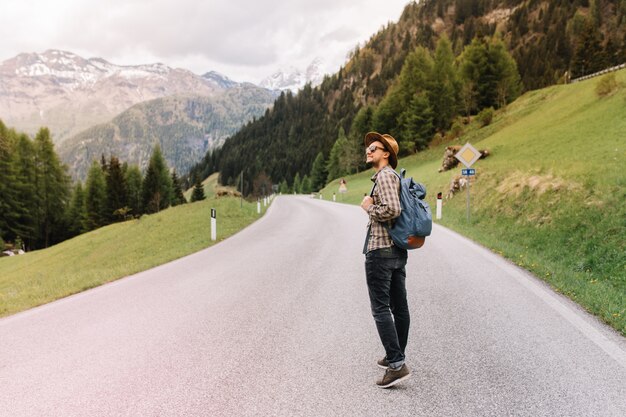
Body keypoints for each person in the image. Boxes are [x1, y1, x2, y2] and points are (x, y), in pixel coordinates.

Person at [360, 131, 411, 389]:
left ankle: (396, 364)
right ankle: (396, 355)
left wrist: (368, 206)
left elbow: (392, 210)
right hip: (395, 251)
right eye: (368, 148)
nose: (369, 151)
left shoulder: (385, 176)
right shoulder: (388, 176)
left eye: (374, 148)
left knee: (381, 309)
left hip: (381, 251)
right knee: (398, 307)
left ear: (386, 154)